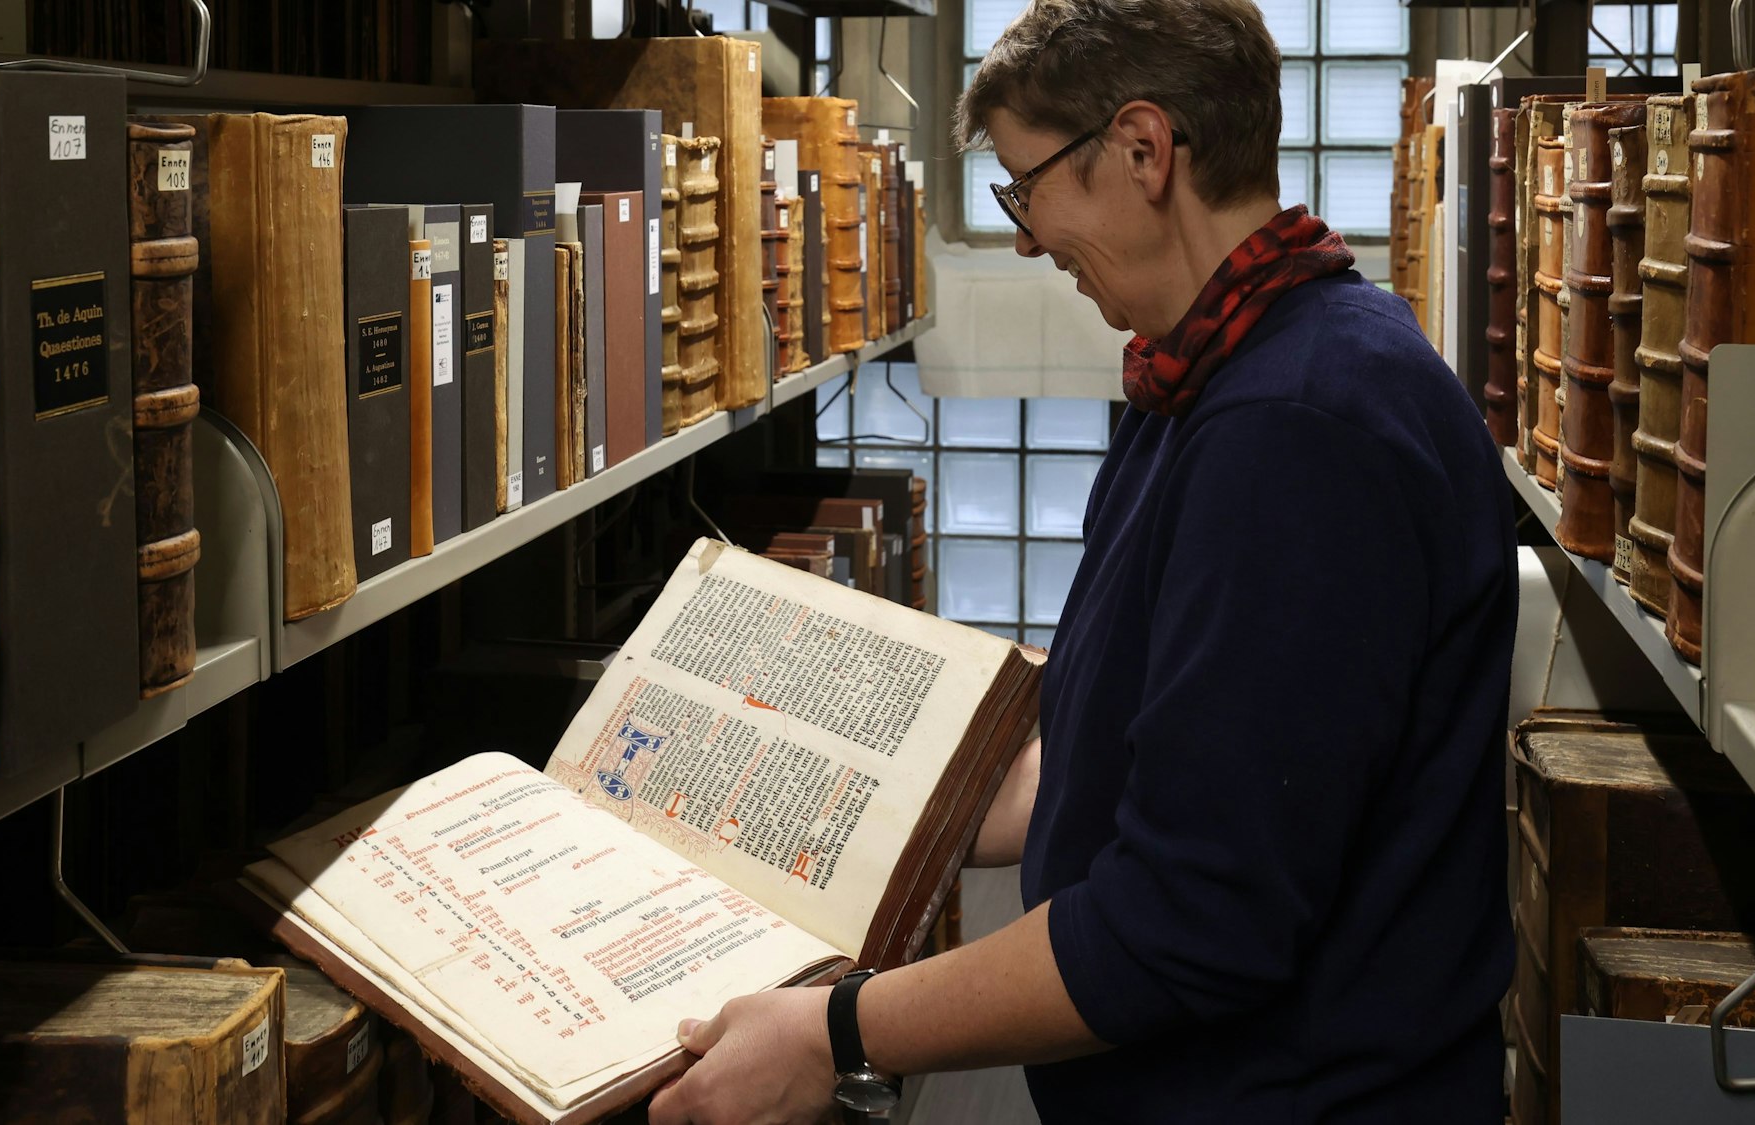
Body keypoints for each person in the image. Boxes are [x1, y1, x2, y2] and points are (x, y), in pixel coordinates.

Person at [648, 1, 1517, 1121]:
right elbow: (1149, 743)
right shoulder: (1202, 381)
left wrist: (836, 1032)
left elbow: (1189, 923)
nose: (1019, 233)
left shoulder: (1299, 428)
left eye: (1025, 184)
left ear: (1142, 149)